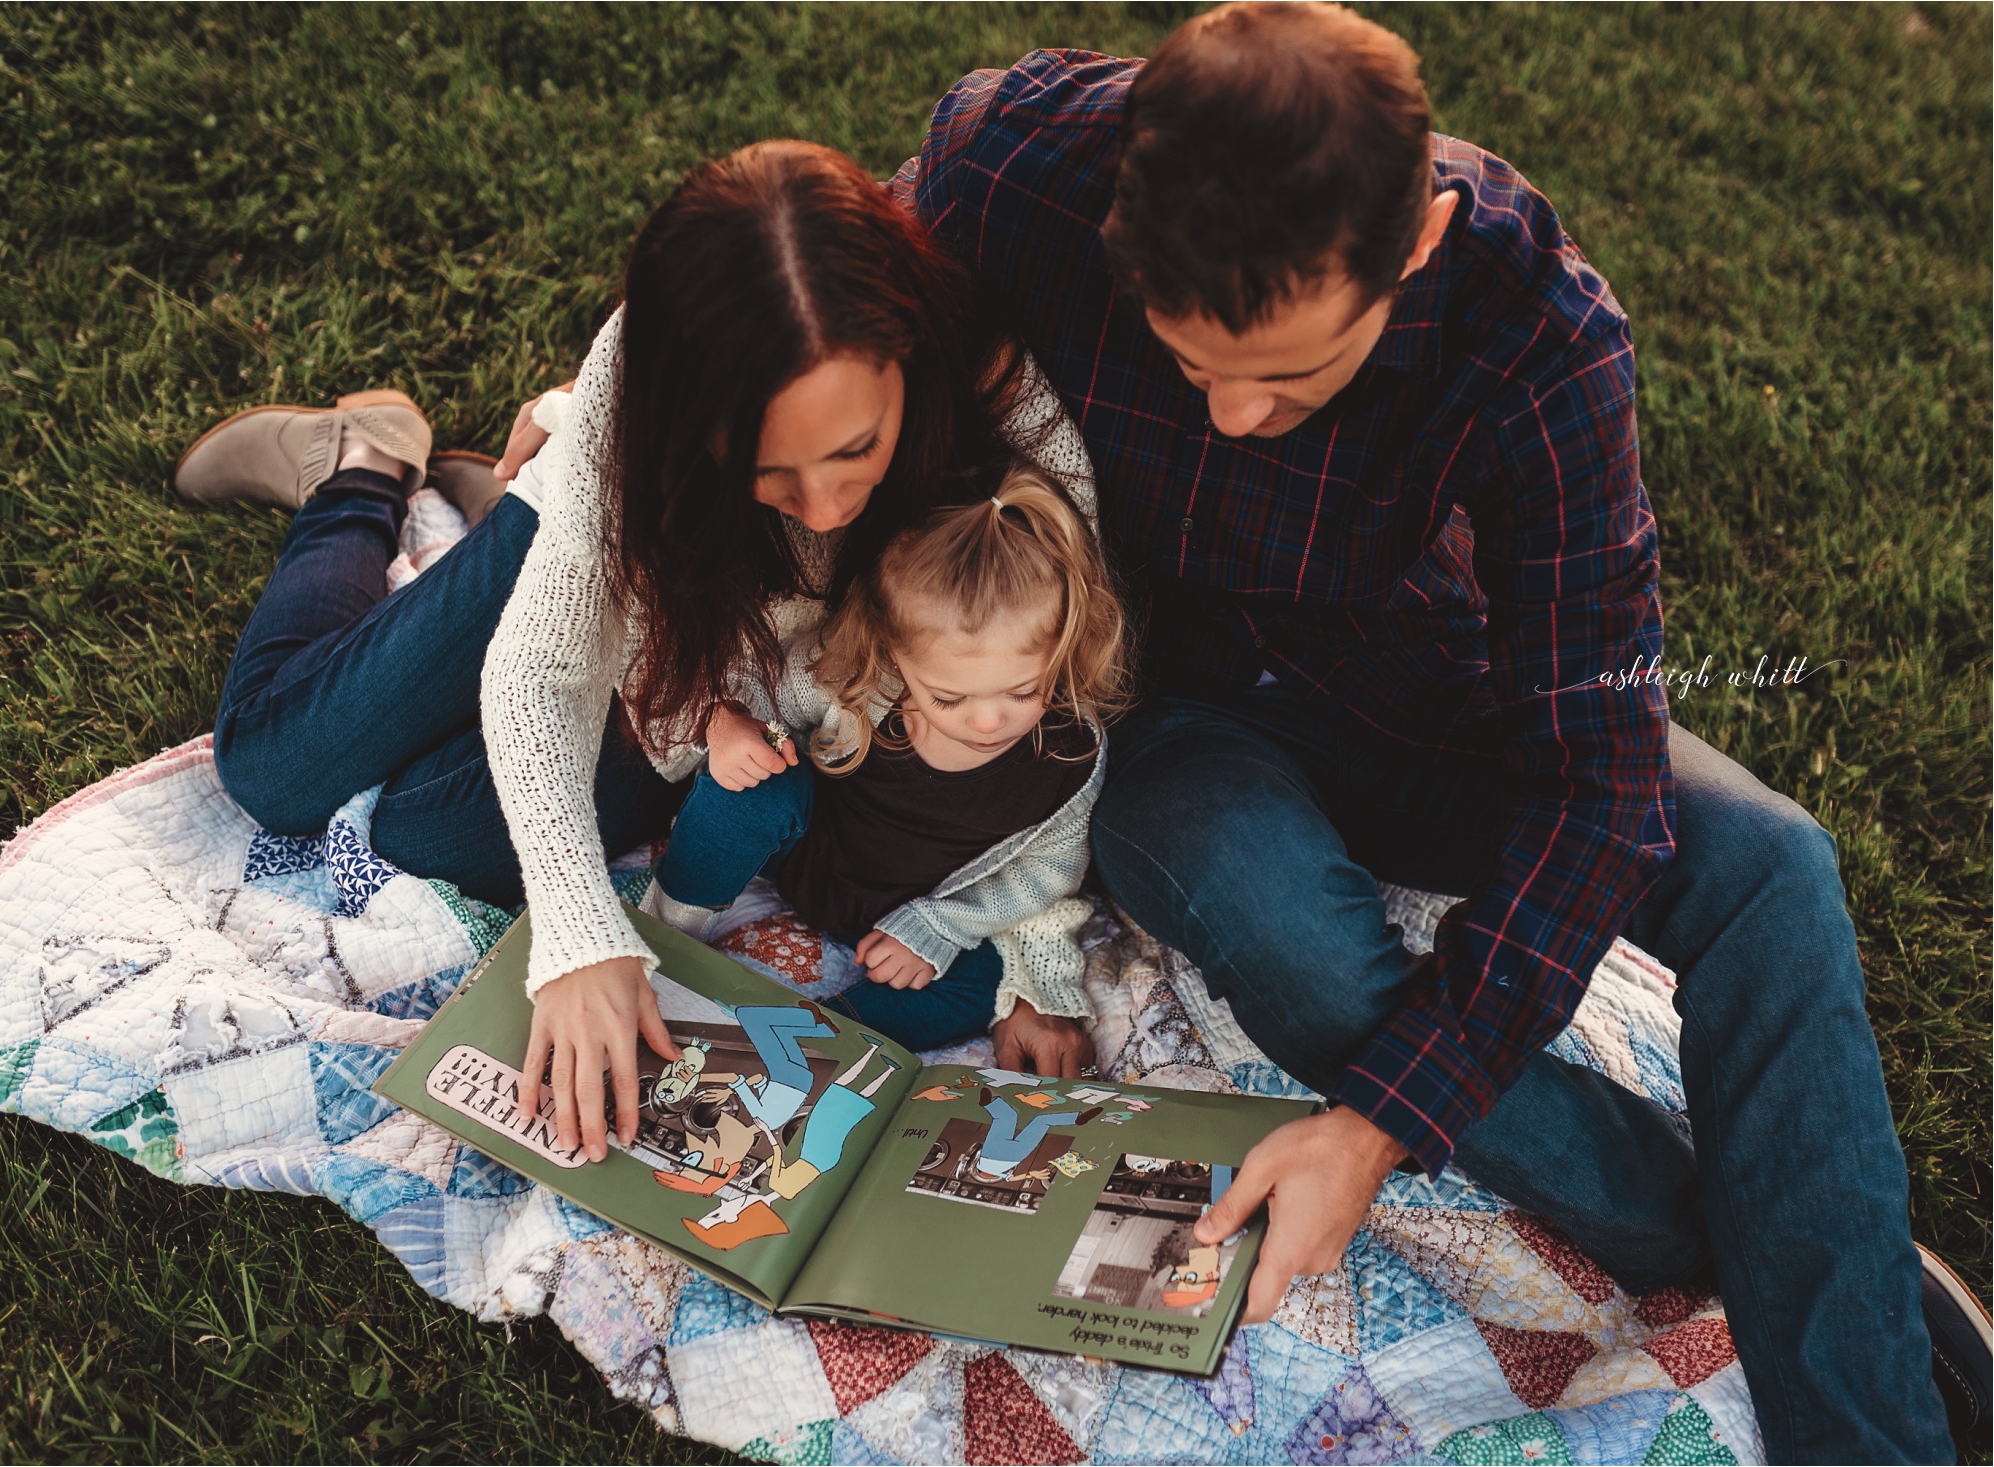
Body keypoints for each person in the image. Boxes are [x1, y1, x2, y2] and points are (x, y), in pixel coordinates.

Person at [851, 3, 1982, 1460]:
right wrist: (604, 406)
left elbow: (1601, 773)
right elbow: (815, 288)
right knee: (1284, 923)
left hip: (1421, 681)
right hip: (1162, 718)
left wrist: (1375, 1125)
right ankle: (1797, 1243)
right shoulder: (1017, 162)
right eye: (1193, 363)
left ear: (1421, 242)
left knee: (1771, 858)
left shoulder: (1539, 336)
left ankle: (1867, 1416)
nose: (1239, 414)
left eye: (1293, 374)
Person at [175, 140, 1104, 1179]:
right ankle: (358, 468)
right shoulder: (639, 413)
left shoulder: (993, 396)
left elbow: (1058, 699)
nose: (829, 506)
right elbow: (544, 671)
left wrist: (1032, 957)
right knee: (272, 767)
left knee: (416, 833)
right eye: (769, 470)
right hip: (622, 573)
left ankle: (476, 508)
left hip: (724, 688)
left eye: (855, 449)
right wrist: (578, 937)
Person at [646, 462, 1126, 1059]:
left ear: (1063, 646)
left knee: (979, 987)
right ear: (894, 650)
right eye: (948, 697)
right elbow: (753, 695)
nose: (987, 721)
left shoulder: (1069, 754)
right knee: (750, 789)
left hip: (903, 915)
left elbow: (1045, 875)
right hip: (805, 850)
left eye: (1024, 691)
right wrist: (726, 726)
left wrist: (944, 924)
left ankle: (810, 1044)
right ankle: (658, 934)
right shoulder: (853, 675)